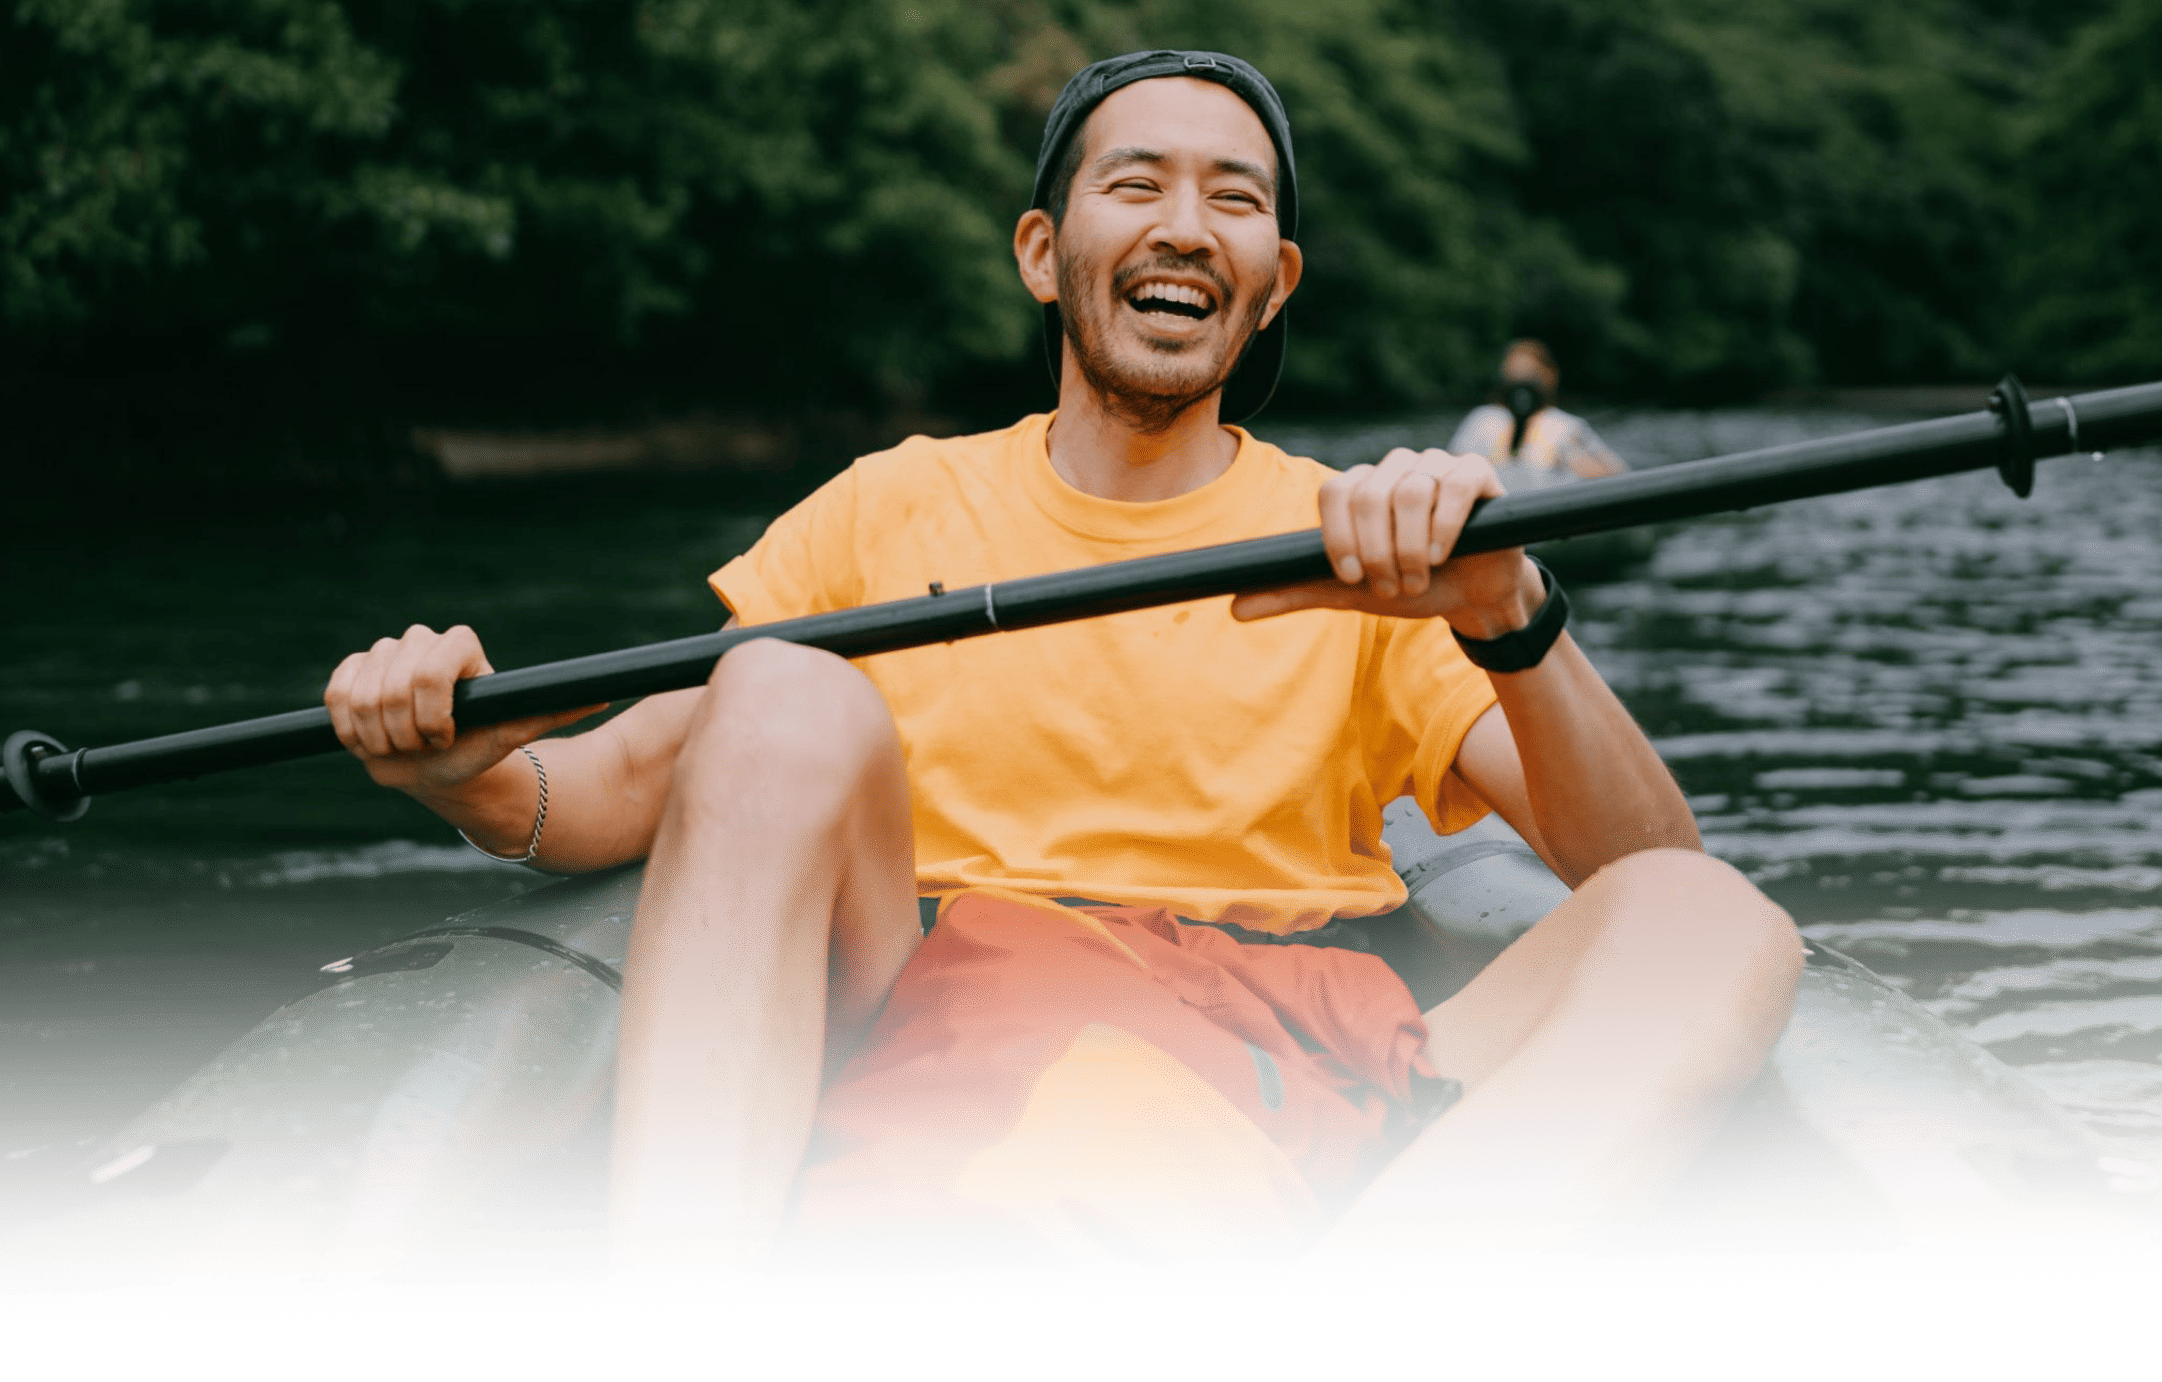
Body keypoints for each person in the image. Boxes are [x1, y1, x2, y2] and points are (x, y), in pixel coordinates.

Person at [323, 51, 1800, 1299]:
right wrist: (464, 766)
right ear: (1047, 252)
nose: (1185, 226)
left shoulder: (1372, 540)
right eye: (1136, 184)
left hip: (1284, 1037)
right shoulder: (888, 505)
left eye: (1234, 200)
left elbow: (1636, 870)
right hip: (946, 1001)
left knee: (1717, 924)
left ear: (1272, 284)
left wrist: (1508, 606)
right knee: (782, 690)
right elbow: (620, 776)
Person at [1447, 340, 1627, 487]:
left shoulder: (1567, 426)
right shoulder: (1482, 419)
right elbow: (1451, 468)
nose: (1521, 385)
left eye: (1529, 375)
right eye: (1514, 376)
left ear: (1550, 376)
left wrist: (1574, 461)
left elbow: (1620, 477)